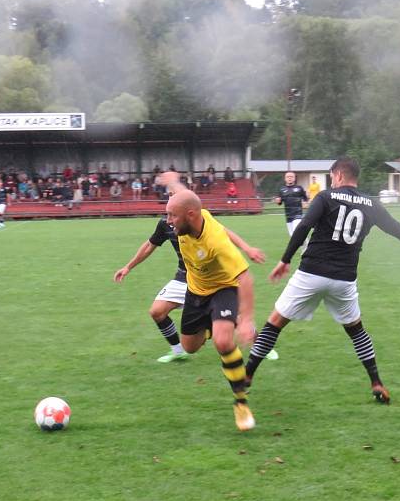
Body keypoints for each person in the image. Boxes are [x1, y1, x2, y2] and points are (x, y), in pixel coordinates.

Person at [244, 157, 400, 405]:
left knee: (275, 323)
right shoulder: (371, 204)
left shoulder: (325, 197)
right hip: (344, 280)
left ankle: (247, 376)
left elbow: (304, 226)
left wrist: (285, 259)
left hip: (311, 272)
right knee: (356, 331)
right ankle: (376, 381)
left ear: (338, 175)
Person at [158, 172, 258, 431]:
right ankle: (219, 323)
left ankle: (240, 402)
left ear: (190, 215)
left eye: (172, 216)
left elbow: (245, 278)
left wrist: (247, 321)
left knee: (224, 342)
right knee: (189, 347)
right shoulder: (190, 212)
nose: (169, 221)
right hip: (195, 292)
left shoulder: (214, 241)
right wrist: (172, 181)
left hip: (224, 288)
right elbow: (183, 196)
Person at [113, 214, 269, 365]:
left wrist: (247, 248)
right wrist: (128, 267)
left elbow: (224, 232)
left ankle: (260, 345)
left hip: (210, 279)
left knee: (234, 317)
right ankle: (177, 351)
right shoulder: (165, 223)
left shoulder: (199, 219)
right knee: (156, 312)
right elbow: (149, 246)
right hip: (183, 277)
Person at [275, 171, 308, 236]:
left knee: (296, 232)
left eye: (291, 176)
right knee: (293, 236)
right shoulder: (282, 189)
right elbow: (279, 202)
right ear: (285, 178)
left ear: (294, 178)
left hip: (298, 214)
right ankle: (306, 244)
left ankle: (306, 245)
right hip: (288, 216)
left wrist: (305, 202)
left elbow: (305, 198)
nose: (289, 178)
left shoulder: (299, 188)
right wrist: (278, 201)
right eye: (288, 177)